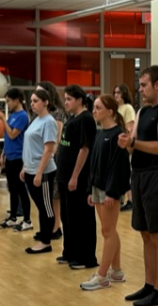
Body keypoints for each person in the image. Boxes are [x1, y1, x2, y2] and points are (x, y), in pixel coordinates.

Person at [117, 65, 158, 306]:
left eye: (144, 85)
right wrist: (127, 142)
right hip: (139, 175)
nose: (140, 89)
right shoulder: (143, 111)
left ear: (157, 85)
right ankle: (150, 284)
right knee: (145, 234)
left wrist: (134, 142)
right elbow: (136, 145)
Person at [80, 94, 131, 291]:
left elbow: (118, 167)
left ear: (110, 111)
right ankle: (116, 271)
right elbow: (94, 165)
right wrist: (91, 189)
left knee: (107, 231)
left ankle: (102, 276)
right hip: (98, 188)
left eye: (98, 107)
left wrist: (112, 192)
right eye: (94, 107)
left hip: (110, 191)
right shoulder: (100, 134)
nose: (94, 111)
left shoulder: (118, 135)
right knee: (108, 230)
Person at [56, 85, 98, 270]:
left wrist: (75, 176)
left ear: (79, 100)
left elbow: (85, 149)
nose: (66, 102)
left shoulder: (86, 119)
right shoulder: (72, 118)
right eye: (65, 99)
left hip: (78, 179)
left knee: (82, 217)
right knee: (68, 216)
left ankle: (86, 257)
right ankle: (70, 252)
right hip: (64, 176)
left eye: (69, 99)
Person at [21, 89, 58, 254]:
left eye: (35, 101)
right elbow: (30, 145)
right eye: (31, 101)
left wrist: (39, 173)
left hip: (42, 172)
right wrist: (25, 168)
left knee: (46, 208)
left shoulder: (49, 122)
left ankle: (46, 242)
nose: (32, 104)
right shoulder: (36, 120)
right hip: (30, 169)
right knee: (41, 207)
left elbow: (48, 149)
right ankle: (44, 237)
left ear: (45, 102)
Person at [0, 88, 33, 231]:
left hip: (19, 157)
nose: (8, 104)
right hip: (10, 156)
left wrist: (2, 120)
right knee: (12, 189)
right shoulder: (12, 116)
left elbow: (12, 134)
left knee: (21, 189)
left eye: (8, 101)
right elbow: (7, 137)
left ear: (17, 100)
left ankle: (27, 220)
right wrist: (3, 154)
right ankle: (13, 218)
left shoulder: (22, 116)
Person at [33, 81, 66, 241]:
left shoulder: (57, 113)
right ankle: (47, 226)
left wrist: (49, 156)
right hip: (42, 157)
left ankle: (55, 227)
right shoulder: (39, 116)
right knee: (46, 196)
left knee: (54, 195)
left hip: (54, 157)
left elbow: (56, 138)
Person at [114, 84, 135, 211]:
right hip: (117, 144)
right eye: (115, 92)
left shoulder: (127, 108)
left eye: (118, 93)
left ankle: (131, 199)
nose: (116, 95)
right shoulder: (116, 109)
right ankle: (121, 198)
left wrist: (128, 144)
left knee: (126, 172)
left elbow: (130, 127)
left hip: (124, 144)